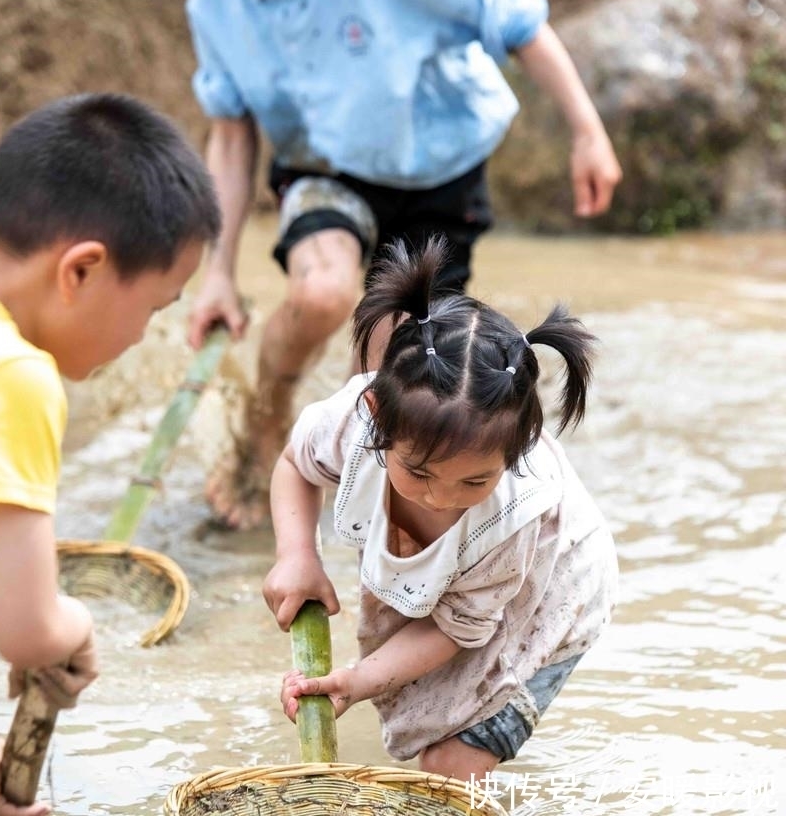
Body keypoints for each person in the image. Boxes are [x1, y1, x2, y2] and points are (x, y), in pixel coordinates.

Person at [179, 0, 623, 529]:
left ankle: (385, 517)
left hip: (434, 171)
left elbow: (514, 15)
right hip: (322, 166)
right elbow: (232, 133)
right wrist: (217, 272)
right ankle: (266, 428)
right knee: (322, 293)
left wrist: (588, 131)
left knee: (393, 371)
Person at [263, 235, 618, 782]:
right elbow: (294, 465)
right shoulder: (353, 425)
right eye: (419, 472)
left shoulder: (512, 516)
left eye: (473, 479)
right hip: (465, 591)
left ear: (519, 447)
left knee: (447, 767)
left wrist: (357, 681)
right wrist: (296, 555)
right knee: (422, 715)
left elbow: (454, 628)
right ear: (377, 415)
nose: (441, 497)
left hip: (552, 590)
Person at [0, 93, 220, 816]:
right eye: (154, 306)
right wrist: (75, 626)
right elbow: (27, 632)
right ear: (80, 270)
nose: (145, 333)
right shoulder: (13, 375)